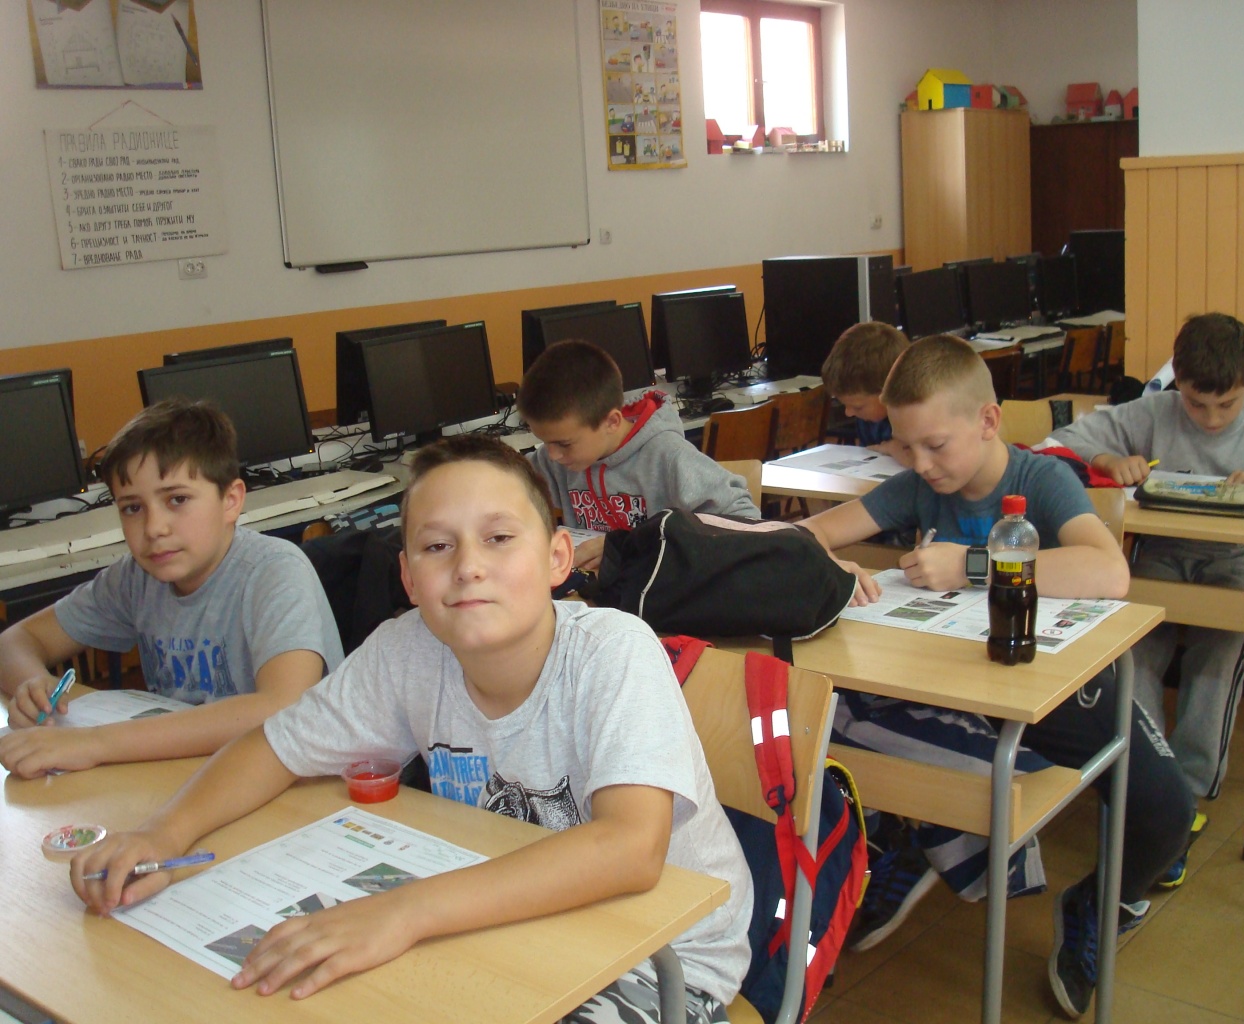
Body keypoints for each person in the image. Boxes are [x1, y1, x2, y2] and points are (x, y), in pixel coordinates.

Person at [69, 435, 752, 1022]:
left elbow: (629, 848)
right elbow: (275, 747)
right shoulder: (407, 650)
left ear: (557, 558)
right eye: (436, 546)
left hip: (662, 960)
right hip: (506, 922)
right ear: (409, 577)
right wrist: (164, 834)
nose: (468, 566)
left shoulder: (612, 651)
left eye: (498, 538)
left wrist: (402, 911)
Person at [798, 335, 1193, 1020]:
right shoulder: (916, 483)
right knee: (871, 735)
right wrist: (828, 564)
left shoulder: (1040, 480)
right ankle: (920, 842)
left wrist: (971, 566)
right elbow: (811, 534)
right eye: (905, 447)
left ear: (987, 421)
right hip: (957, 685)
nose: (920, 465)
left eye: (935, 446)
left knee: (1166, 811)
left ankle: (1100, 903)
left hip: (1052, 683)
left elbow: (1109, 573)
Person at [1055, 312, 1244, 800]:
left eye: (1227, 404)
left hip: (1242, 560)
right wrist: (1108, 460)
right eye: (1197, 404)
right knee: (1130, 654)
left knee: (1215, 663)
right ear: (1177, 380)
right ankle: (1150, 781)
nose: (1212, 418)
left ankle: (1188, 790)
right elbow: (1064, 440)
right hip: (1164, 556)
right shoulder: (1155, 410)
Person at [0, 399, 343, 778]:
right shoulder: (136, 578)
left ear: (231, 501)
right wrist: (33, 684)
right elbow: (14, 642)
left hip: (297, 784)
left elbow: (281, 708)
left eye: (177, 500)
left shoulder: (274, 571)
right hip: (189, 773)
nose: (153, 528)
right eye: (132, 508)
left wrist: (95, 743)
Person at [517, 339, 758, 570]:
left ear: (611, 422)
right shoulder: (557, 459)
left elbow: (746, 522)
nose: (552, 455)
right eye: (544, 442)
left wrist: (630, 546)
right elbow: (513, 484)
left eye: (564, 444)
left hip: (657, 590)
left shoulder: (668, 457)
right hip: (597, 588)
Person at [820, 320, 911, 461]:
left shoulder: (916, 417)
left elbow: (920, 460)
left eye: (858, 407)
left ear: (891, 392)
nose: (848, 413)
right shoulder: (868, 419)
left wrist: (891, 448)